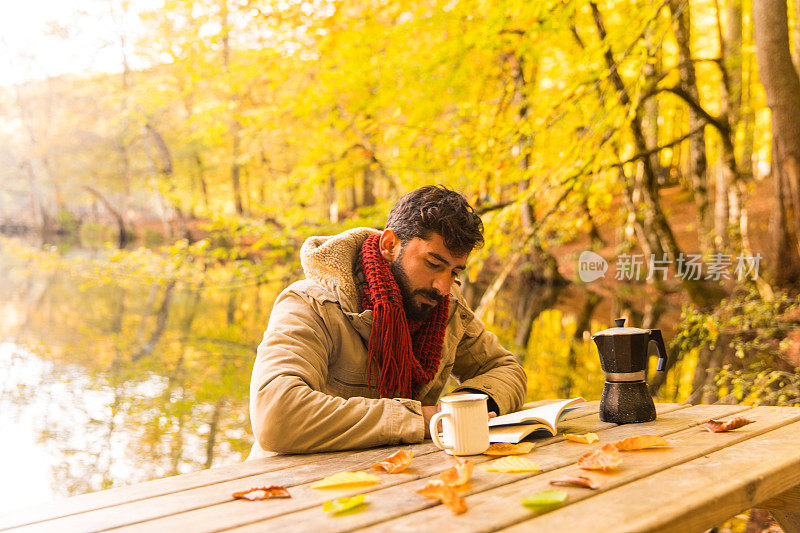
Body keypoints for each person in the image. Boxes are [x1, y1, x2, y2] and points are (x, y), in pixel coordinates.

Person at [248, 185, 527, 456]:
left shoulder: (446, 307)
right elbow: (276, 414)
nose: (443, 286)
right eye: (433, 264)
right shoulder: (311, 304)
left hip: (399, 483)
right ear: (390, 245)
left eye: (454, 272)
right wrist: (422, 419)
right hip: (293, 491)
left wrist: (462, 408)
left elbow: (505, 368)